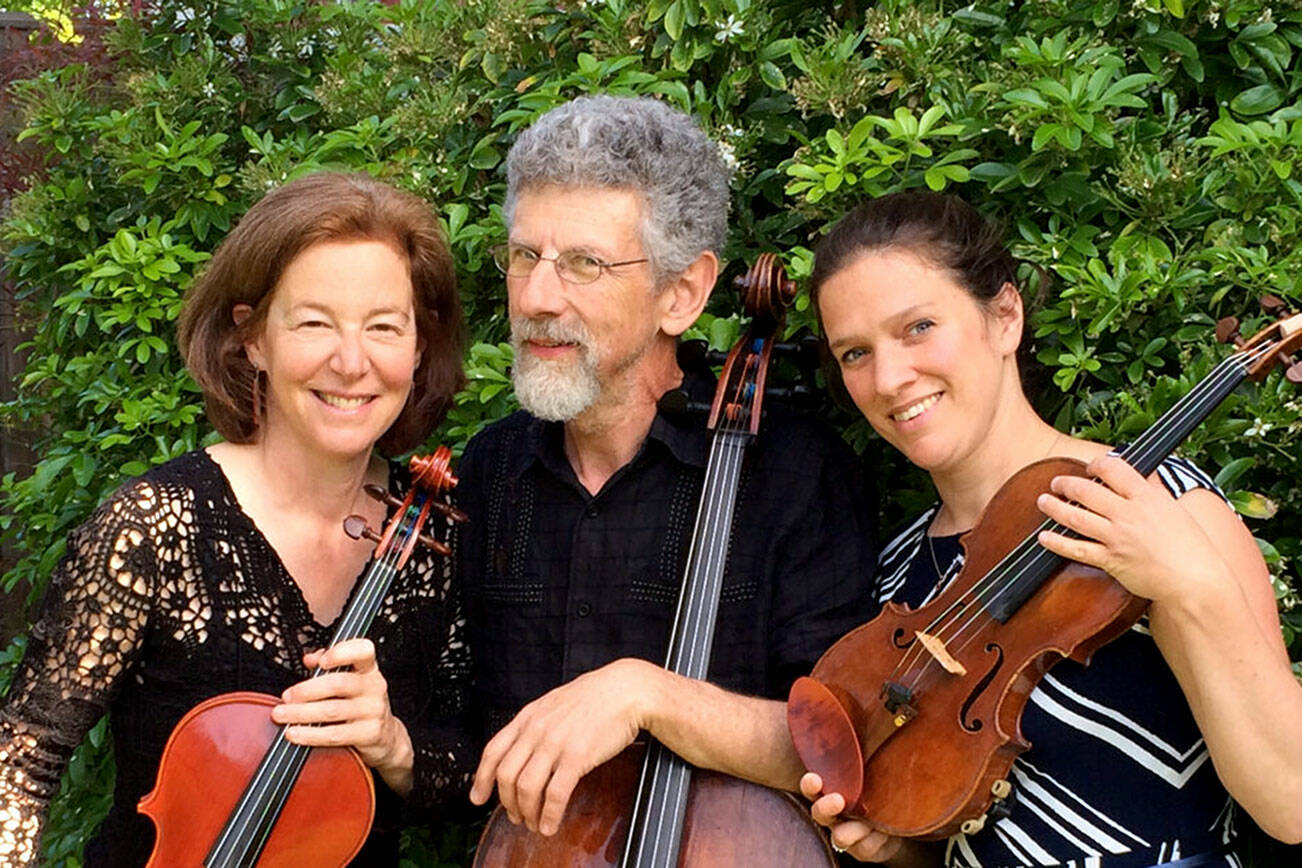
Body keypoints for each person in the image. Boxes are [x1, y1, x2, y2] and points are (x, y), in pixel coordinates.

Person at [800, 190, 1302, 867]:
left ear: (1004, 316)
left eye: (918, 327)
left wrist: (1190, 582)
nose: (890, 377)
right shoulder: (899, 578)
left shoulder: (1153, 503)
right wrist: (897, 845)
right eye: (855, 353)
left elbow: (1291, 802)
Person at [0, 171, 473, 866]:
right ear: (252, 339)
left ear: (419, 348)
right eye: (314, 322)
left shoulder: (438, 543)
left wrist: (396, 747)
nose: (351, 361)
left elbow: (475, 779)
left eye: (383, 327)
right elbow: (25, 753)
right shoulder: (158, 526)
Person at [460, 94, 878, 839]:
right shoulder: (491, 470)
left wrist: (646, 696)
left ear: (681, 293)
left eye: (583, 263)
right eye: (525, 256)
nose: (537, 296)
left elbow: (849, 745)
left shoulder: (792, 476)